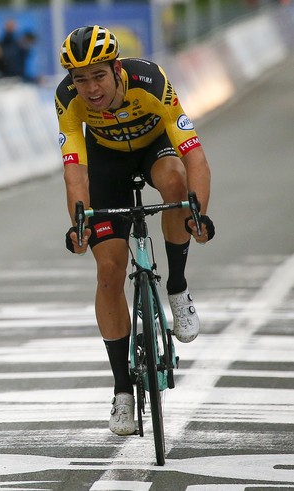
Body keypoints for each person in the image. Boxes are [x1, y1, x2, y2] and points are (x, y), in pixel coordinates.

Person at [56, 26, 215, 436]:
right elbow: (75, 169)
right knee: (109, 271)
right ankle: (123, 391)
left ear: (117, 68)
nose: (90, 89)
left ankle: (177, 289)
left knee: (177, 184)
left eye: (98, 76)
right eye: (80, 79)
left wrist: (198, 214)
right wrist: (79, 222)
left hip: (153, 149)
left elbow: (195, 157)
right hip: (105, 163)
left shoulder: (152, 82)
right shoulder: (67, 100)